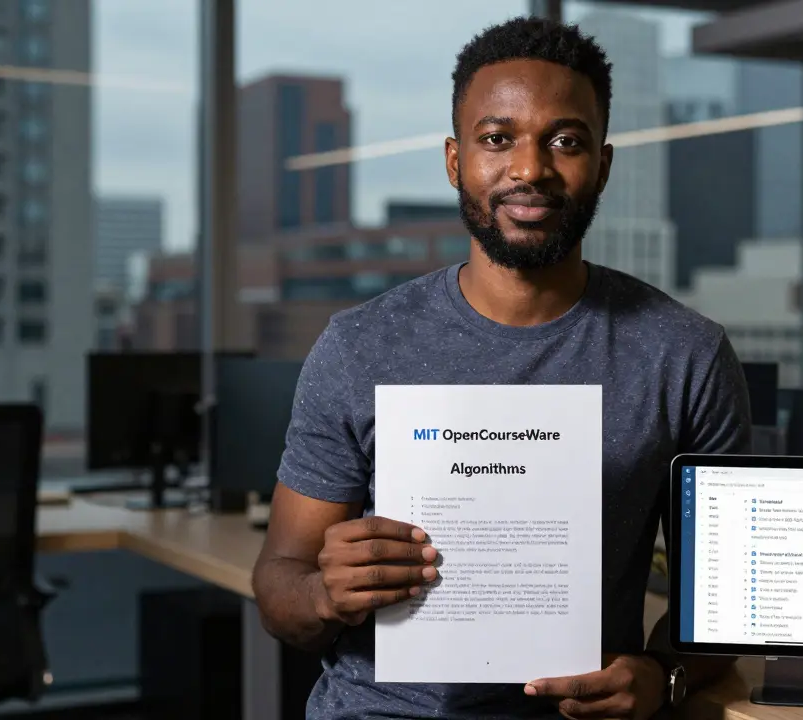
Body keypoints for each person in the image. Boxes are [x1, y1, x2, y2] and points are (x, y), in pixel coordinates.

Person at [252, 17, 751, 720]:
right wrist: (323, 593)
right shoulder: (359, 346)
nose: (530, 169)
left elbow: (722, 606)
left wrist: (662, 674)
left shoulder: (684, 354)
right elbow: (279, 587)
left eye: (565, 141)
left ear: (603, 165)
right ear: (455, 161)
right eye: (497, 139)